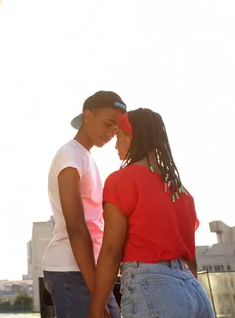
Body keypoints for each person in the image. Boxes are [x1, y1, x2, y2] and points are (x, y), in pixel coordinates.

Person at [88, 108, 215, 318]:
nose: (116, 146)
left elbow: (112, 250)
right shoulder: (181, 192)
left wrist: (96, 307)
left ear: (131, 139)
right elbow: (191, 259)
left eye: (119, 137)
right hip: (194, 292)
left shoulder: (121, 180)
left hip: (154, 290)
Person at [43, 91, 126, 318]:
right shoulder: (69, 155)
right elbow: (76, 227)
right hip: (72, 271)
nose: (111, 133)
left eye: (115, 129)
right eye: (108, 124)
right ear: (87, 116)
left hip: (89, 271)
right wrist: (97, 299)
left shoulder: (86, 157)